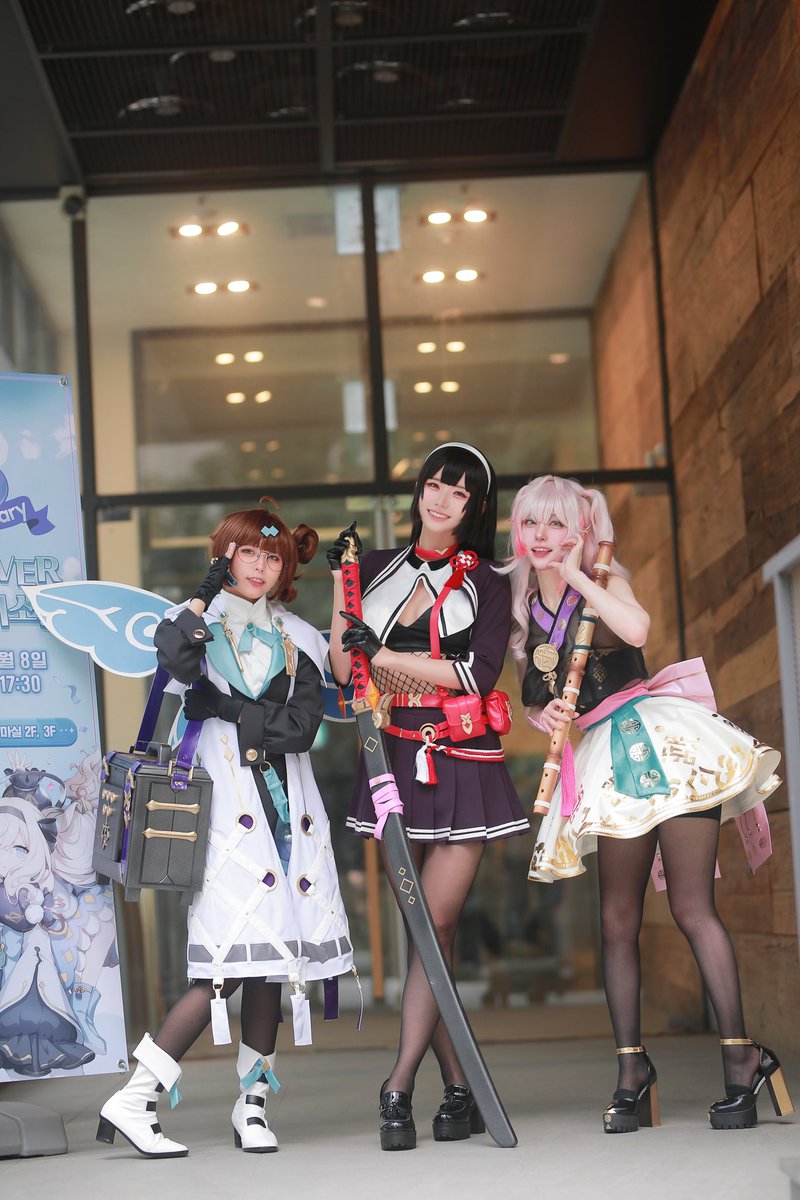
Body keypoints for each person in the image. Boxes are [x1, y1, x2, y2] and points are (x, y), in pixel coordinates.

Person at [507, 474, 791, 1133]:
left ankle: (743, 1061)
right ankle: (632, 1072)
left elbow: (636, 628)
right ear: (518, 530)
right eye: (532, 523)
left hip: (665, 742)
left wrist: (577, 577)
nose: (543, 536)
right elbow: (534, 701)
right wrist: (542, 715)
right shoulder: (521, 614)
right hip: (605, 759)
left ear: (580, 530)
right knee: (616, 920)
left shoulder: (605, 578)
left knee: (692, 908)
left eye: (558, 524)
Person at [97, 502, 354, 1157]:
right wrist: (205, 595)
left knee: (272, 964)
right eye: (247, 554)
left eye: (272, 557)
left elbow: (302, 730)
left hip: (286, 816)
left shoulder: (299, 637)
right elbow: (176, 660)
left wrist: (230, 710)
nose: (260, 567)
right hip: (221, 816)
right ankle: (136, 1096)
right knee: (226, 963)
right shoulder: (197, 624)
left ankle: (253, 1106)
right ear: (226, 556)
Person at [327, 442, 528, 1151]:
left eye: (460, 492)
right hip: (390, 755)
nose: (442, 500)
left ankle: (398, 1083)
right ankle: (459, 1087)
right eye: (435, 485)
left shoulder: (491, 582)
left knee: (435, 921)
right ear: (419, 491)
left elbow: (477, 675)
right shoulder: (374, 566)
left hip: (463, 758)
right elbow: (343, 669)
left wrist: (383, 657)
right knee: (422, 930)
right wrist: (341, 592)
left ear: (475, 507)